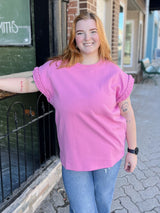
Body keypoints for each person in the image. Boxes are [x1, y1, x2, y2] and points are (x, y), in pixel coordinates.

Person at [0, 12, 138, 213]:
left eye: (92, 31)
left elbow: (129, 116)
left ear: (100, 35)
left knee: (102, 206)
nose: (87, 38)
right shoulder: (58, 69)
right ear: (74, 38)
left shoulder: (114, 73)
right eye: (80, 33)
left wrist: (132, 151)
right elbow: (27, 83)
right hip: (74, 159)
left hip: (109, 156)